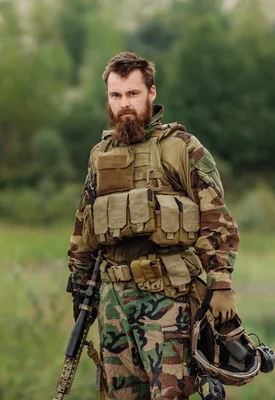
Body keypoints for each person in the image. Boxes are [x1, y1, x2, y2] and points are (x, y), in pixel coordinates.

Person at [66, 51, 239, 400]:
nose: (124, 104)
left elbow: (216, 220)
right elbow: (84, 225)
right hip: (112, 300)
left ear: (152, 93)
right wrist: (80, 284)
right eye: (116, 96)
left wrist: (221, 284)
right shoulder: (99, 155)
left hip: (166, 298)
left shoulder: (182, 149)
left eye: (133, 94)